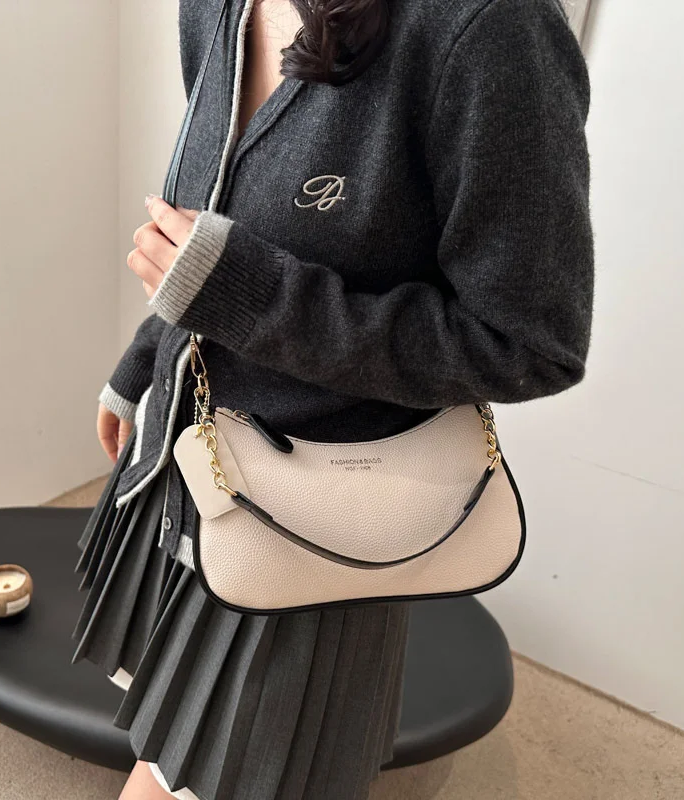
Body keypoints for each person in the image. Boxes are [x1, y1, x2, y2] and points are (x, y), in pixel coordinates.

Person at [71, 0, 594, 798]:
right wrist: (147, 359)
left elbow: (528, 341)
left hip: (310, 529)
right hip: (185, 464)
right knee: (170, 739)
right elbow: (225, 219)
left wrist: (249, 299)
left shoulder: (492, 27)